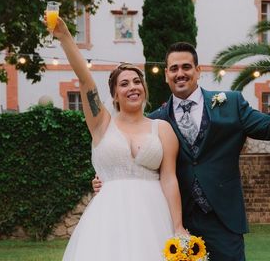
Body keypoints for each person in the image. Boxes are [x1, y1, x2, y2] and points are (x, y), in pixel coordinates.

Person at [94, 42, 270, 261]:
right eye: (174, 68)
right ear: (166, 75)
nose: (180, 73)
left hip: (224, 220)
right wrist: (106, 180)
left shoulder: (231, 104)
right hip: (176, 224)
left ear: (198, 71)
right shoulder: (155, 121)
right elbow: (137, 164)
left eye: (186, 67)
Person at [50, 17, 187, 261]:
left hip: (152, 218)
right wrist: (65, 37)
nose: (133, 87)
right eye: (124, 84)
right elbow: (85, 80)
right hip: (108, 219)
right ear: (114, 94)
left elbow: (169, 179)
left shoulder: (162, 129)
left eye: (137, 82)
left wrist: (177, 227)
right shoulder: (102, 123)